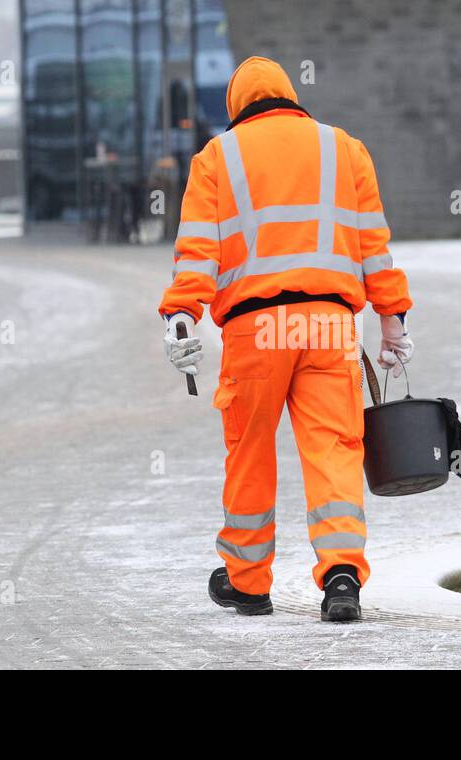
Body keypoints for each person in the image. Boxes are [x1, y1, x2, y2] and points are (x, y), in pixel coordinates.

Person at [158, 56, 413, 622]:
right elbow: (374, 246)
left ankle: (248, 584)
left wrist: (181, 314)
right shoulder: (345, 149)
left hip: (255, 330)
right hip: (328, 326)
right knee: (334, 450)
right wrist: (392, 317)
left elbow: (198, 250)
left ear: (236, 107)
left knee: (249, 454)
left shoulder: (216, 158)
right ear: (290, 96)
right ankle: (342, 575)